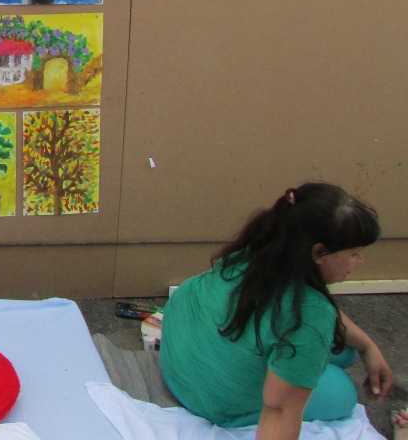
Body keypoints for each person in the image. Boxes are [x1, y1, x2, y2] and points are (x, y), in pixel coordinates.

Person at [160, 182, 392, 440]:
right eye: (354, 254)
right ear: (319, 252)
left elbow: (308, 310)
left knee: (346, 350)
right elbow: (279, 410)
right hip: (210, 399)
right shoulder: (310, 315)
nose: (360, 261)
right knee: (344, 393)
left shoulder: (265, 247)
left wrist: (367, 346)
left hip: (178, 353)